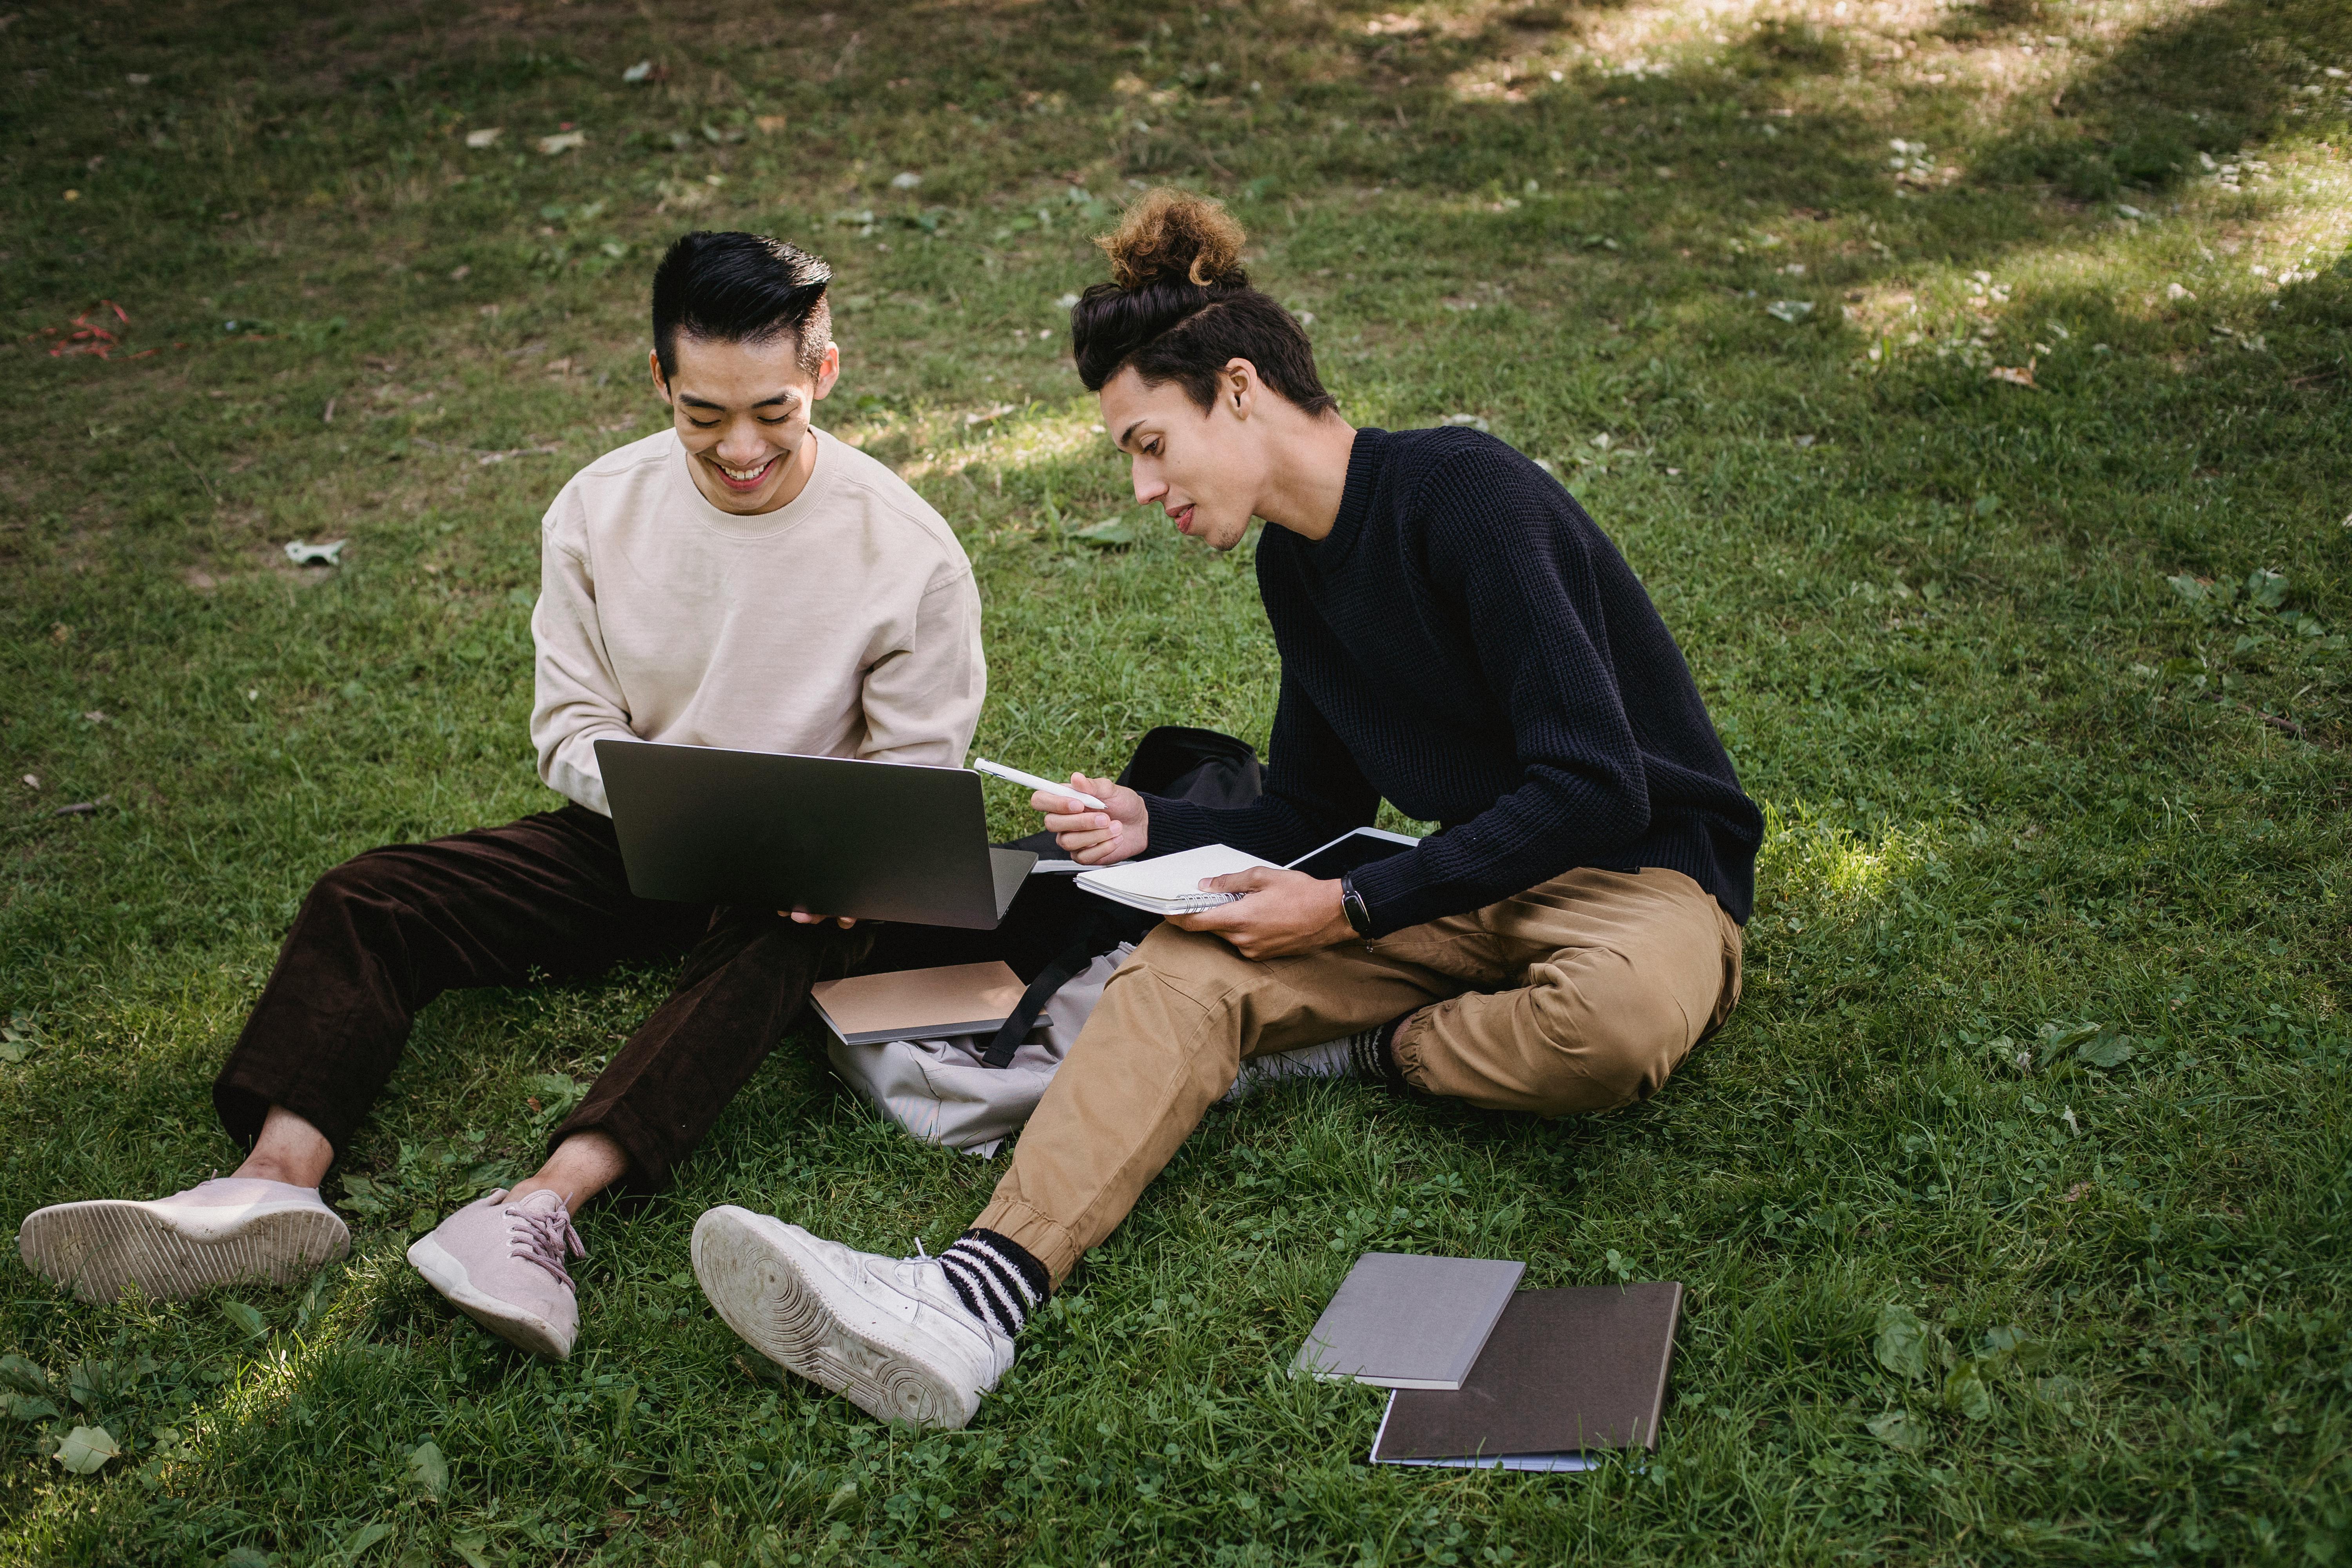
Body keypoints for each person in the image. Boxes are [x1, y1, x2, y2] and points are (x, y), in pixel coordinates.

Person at [689, 190, 1766, 1431]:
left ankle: (1361, 1046)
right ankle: (970, 1301)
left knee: (1614, 1028)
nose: (1143, 488)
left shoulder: (1464, 491)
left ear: (1239, 389)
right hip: (1463, 885)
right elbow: (1312, 805)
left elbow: (1594, 783)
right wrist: (1162, 827)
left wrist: (1358, 902)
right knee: (1184, 969)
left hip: (1641, 881)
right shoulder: (1295, 568)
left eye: (1149, 443)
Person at [17, 230, 985, 1361]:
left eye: (772, 413)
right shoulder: (596, 510)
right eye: (704, 415)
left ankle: (539, 1214)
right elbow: (570, 728)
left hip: (803, 882)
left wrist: (829, 863)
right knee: (374, 896)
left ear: (825, 373)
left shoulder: (908, 550)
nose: (739, 449)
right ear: (660, 382)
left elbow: (916, 774)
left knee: (770, 953)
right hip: (635, 833)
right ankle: (274, 1183)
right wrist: (665, 801)